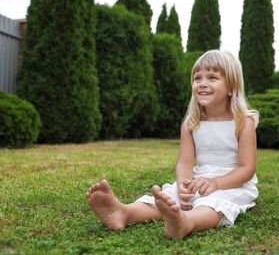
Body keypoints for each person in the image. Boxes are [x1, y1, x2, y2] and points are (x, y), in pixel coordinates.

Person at [86, 50, 259, 240]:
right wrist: (183, 188)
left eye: (212, 77)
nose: (202, 83)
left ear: (231, 87)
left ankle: (186, 222)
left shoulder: (243, 122)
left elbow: (247, 168)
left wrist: (217, 183)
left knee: (215, 203)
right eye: (197, 78)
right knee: (170, 198)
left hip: (233, 182)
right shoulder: (191, 123)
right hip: (198, 179)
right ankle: (124, 212)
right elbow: (184, 162)